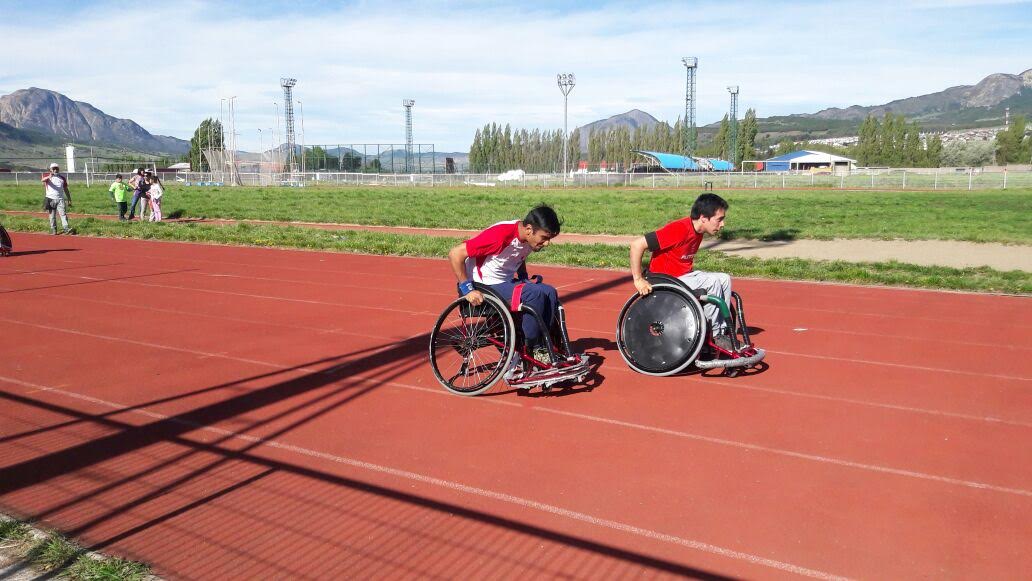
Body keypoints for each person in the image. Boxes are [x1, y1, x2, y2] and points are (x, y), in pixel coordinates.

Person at [448, 205, 563, 363]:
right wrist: (467, 289)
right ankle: (533, 348)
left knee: (549, 292)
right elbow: (455, 253)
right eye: (544, 238)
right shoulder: (500, 235)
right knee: (534, 294)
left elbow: (517, 255)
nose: (547, 243)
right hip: (482, 284)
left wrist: (523, 277)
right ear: (529, 230)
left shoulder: (528, 238)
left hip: (504, 282)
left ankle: (547, 345)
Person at [629, 193, 735, 351]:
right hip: (664, 280)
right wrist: (638, 279)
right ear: (703, 218)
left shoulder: (698, 231)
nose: (722, 224)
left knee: (724, 279)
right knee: (712, 282)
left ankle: (724, 331)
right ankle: (715, 336)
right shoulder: (679, 229)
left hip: (682, 277)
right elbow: (636, 245)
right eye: (719, 219)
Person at [41, 163, 73, 235]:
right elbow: (42, 180)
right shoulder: (47, 177)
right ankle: (53, 229)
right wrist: (49, 176)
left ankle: (66, 228)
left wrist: (69, 199)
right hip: (50, 199)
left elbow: (66, 189)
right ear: (51, 169)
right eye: (54, 169)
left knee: (63, 214)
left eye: (57, 168)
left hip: (60, 199)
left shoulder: (62, 178)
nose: (55, 170)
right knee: (52, 216)